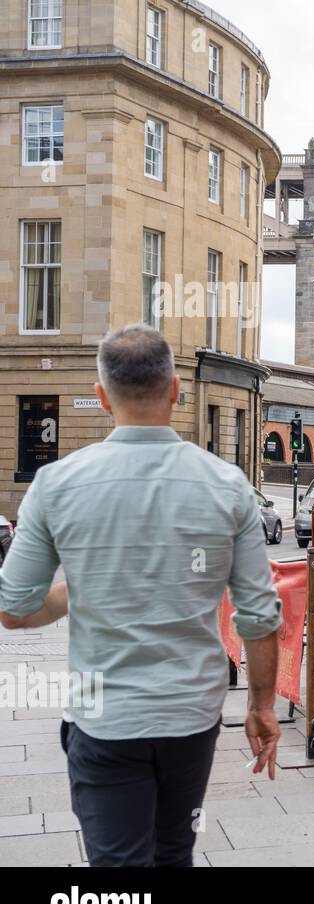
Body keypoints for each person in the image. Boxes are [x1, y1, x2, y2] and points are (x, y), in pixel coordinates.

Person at [0, 325, 283, 867]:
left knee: (118, 868)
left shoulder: (56, 483)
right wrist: (261, 705)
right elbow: (259, 613)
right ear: (176, 389)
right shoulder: (228, 485)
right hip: (191, 713)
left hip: (104, 714)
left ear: (102, 396)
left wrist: (78, 585)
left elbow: (15, 609)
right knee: (174, 849)